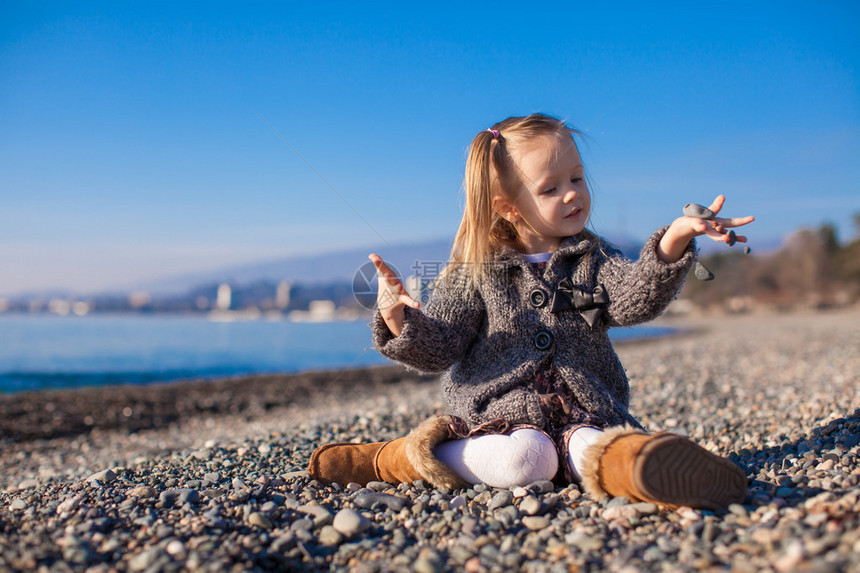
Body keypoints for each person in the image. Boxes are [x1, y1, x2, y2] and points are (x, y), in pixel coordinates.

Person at [308, 113, 754, 509]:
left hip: (585, 407)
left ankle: (647, 470)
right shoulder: (476, 269)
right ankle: (404, 457)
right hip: (500, 416)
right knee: (528, 458)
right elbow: (442, 344)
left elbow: (632, 298)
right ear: (509, 207)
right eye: (551, 188)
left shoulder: (593, 258)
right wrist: (397, 319)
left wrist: (674, 240)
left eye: (577, 179)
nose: (572, 195)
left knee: (592, 446)